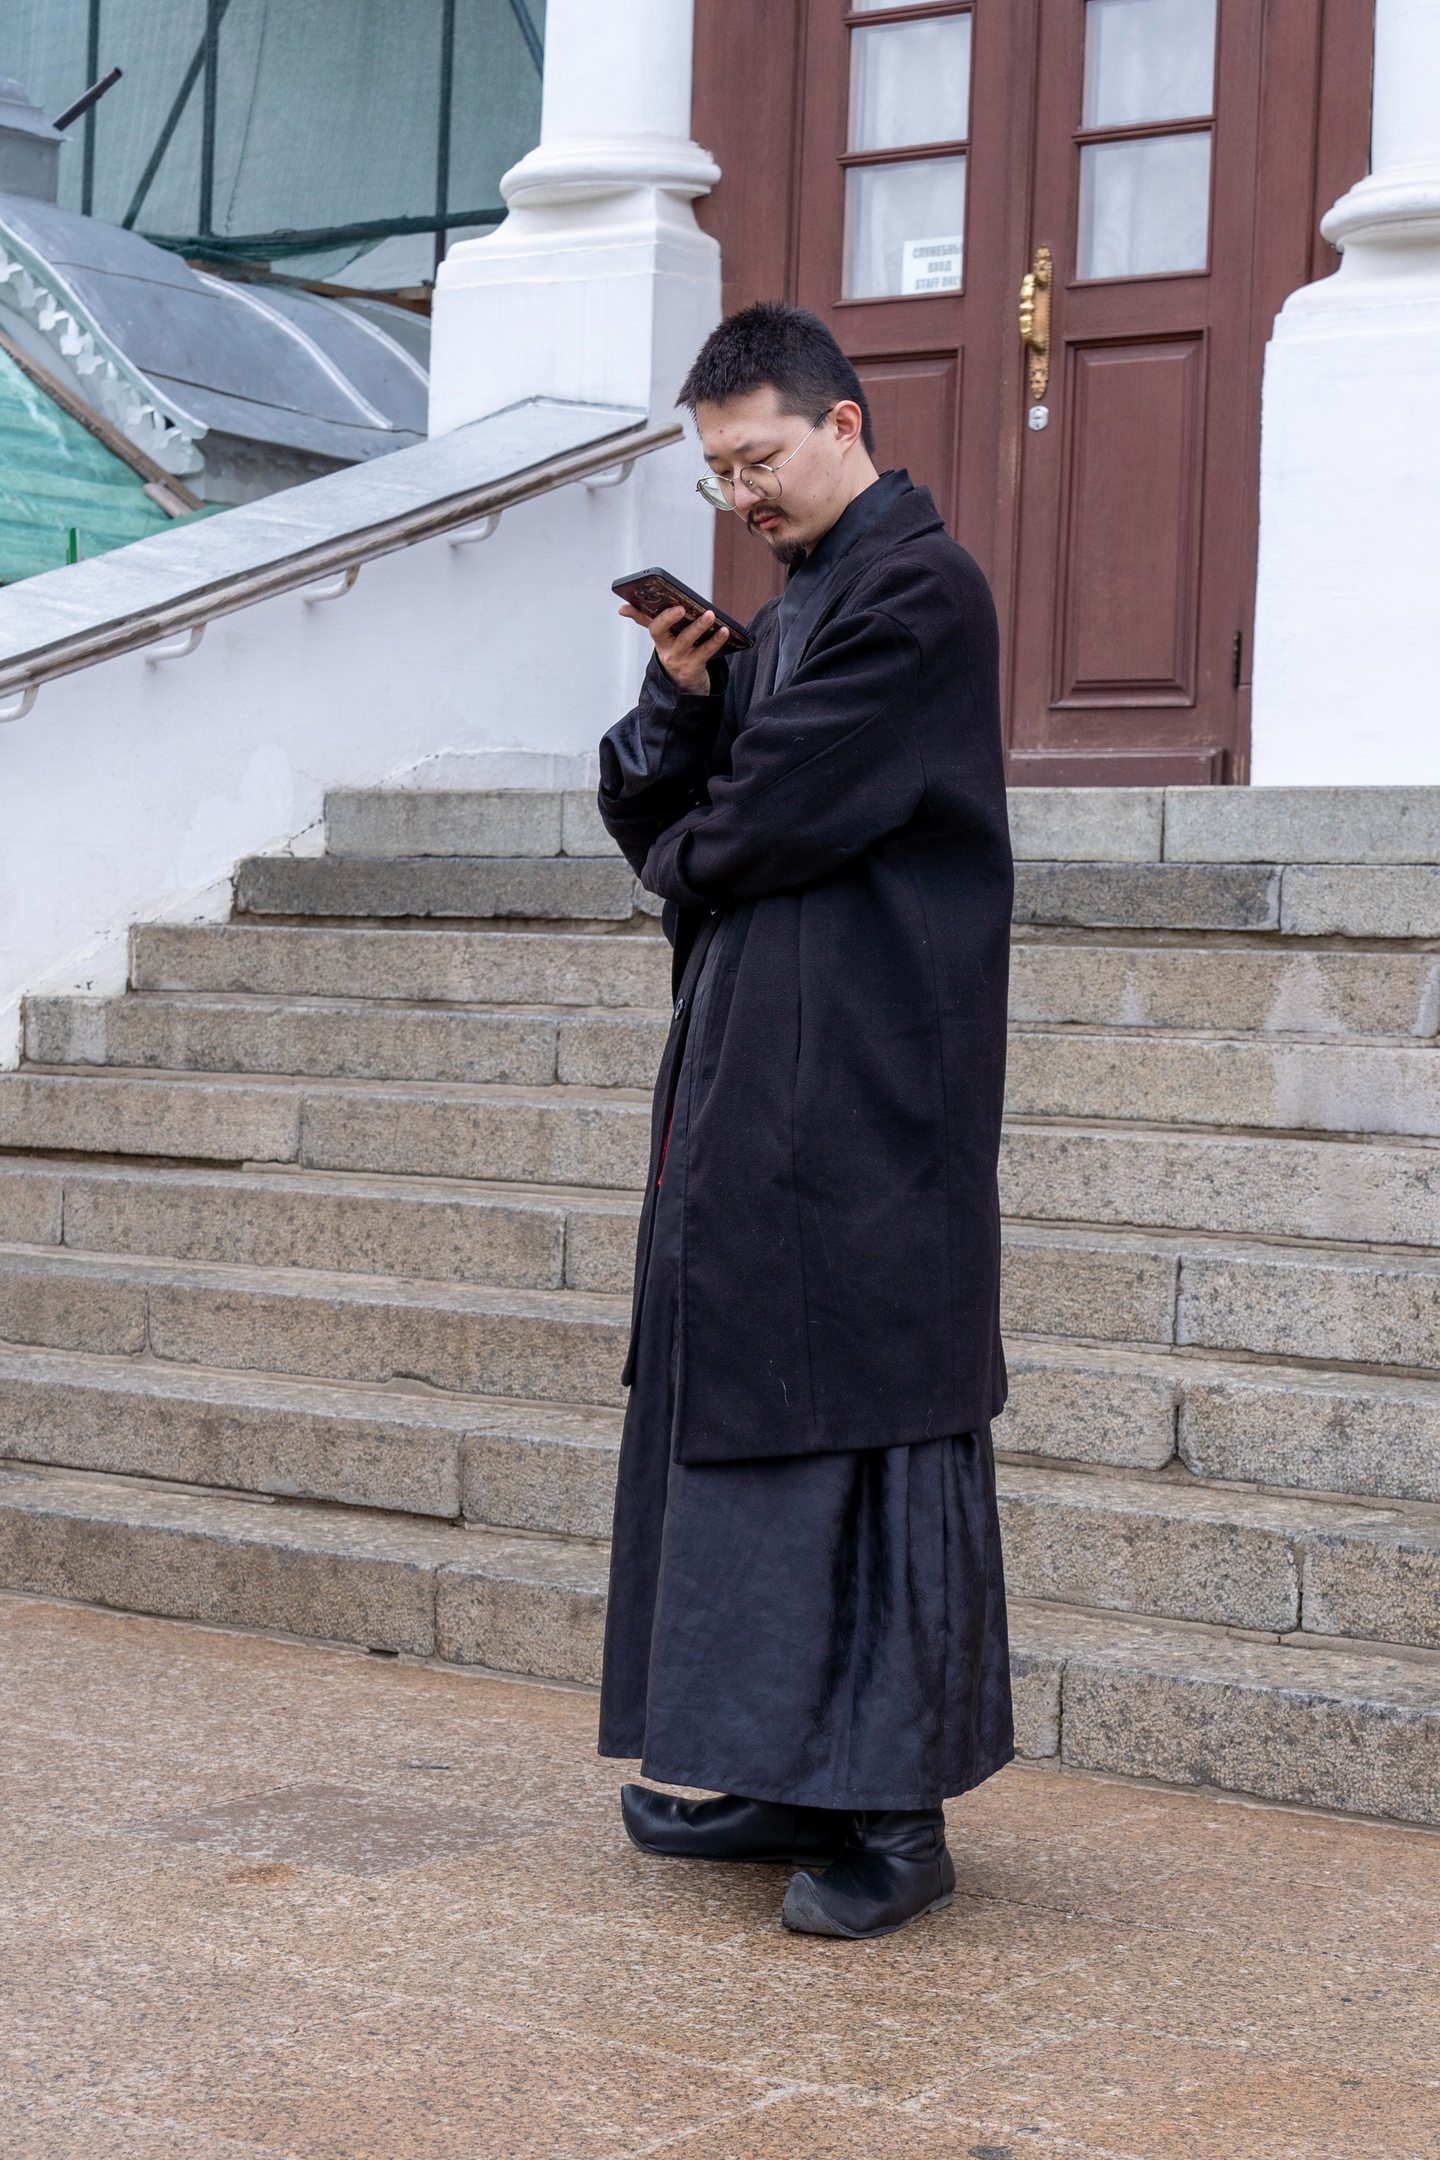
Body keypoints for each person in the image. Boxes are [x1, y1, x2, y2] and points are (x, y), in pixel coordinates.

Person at [595, 301, 1013, 1941]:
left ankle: (894, 1824)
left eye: (758, 458)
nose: (741, 496)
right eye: (717, 473)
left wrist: (689, 836)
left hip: (867, 1086)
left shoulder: (918, 590)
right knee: (753, 1414)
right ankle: (777, 1767)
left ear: (844, 424)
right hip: (761, 1071)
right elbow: (681, 797)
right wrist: (683, 698)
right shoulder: (798, 605)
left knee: (861, 1423)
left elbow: (767, 821)